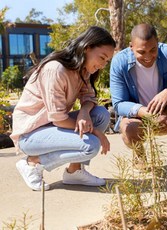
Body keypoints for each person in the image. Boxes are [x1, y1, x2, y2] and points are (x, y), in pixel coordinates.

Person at [10, 26, 116, 191]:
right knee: (91, 145)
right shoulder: (55, 70)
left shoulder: (83, 69)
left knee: (101, 114)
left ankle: (74, 172)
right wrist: (95, 131)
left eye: (106, 61)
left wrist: (84, 112)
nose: (102, 65)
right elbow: (59, 119)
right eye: (102, 58)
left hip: (52, 126)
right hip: (30, 134)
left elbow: (89, 97)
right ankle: (32, 163)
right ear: (87, 47)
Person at [110, 23, 167, 178]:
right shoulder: (119, 62)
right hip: (138, 118)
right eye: (141, 52)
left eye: (153, 50)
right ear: (131, 46)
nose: (148, 56)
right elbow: (119, 104)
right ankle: (139, 155)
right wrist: (147, 113)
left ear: (158, 43)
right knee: (129, 128)